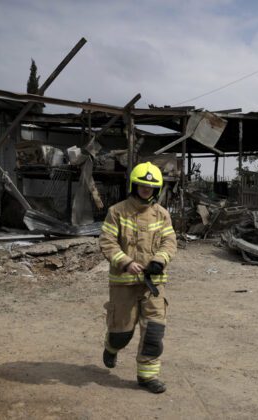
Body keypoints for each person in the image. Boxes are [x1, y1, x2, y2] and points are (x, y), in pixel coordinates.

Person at [98, 162, 177, 394]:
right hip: (124, 284)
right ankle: (111, 347)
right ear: (134, 185)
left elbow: (169, 242)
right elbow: (107, 242)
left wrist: (159, 260)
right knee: (122, 333)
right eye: (142, 185)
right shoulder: (117, 211)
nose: (146, 189)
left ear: (157, 189)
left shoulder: (162, 215)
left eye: (151, 186)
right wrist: (126, 262)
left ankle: (147, 377)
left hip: (153, 285)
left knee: (154, 332)